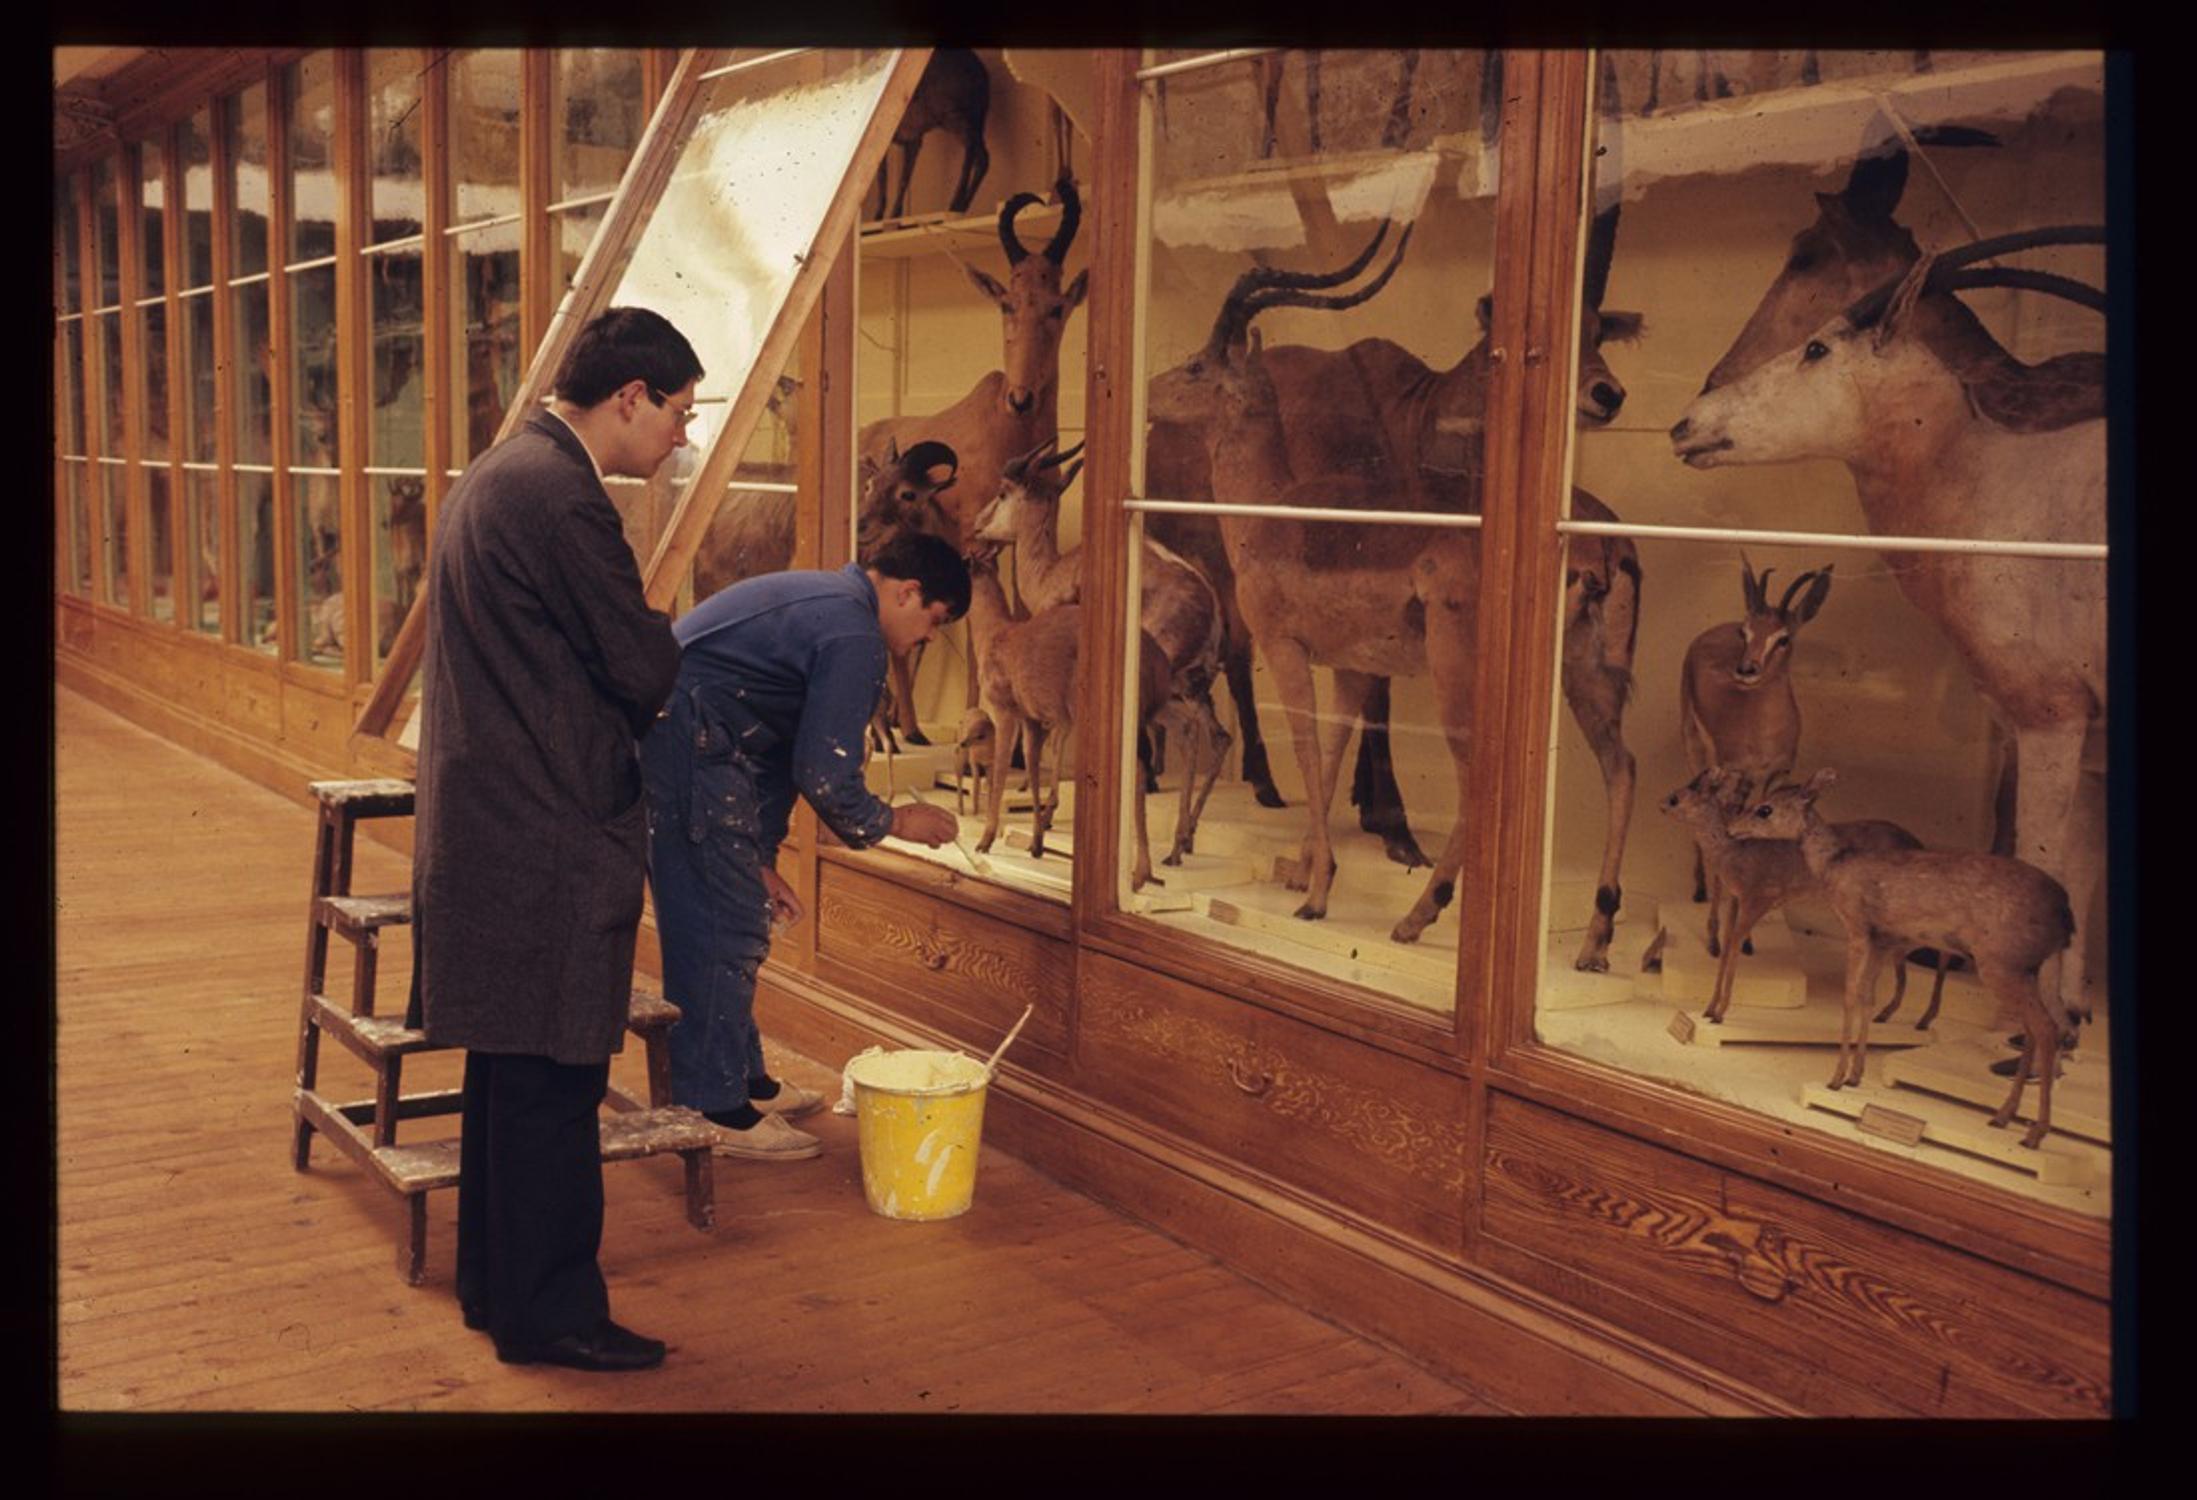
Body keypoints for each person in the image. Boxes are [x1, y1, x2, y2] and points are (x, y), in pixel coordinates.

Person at [410, 306, 701, 1373]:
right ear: (627, 397)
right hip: (544, 830)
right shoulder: (564, 499)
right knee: (553, 1086)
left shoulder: (500, 472)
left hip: (492, 818)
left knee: (508, 1074)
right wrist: (665, 641)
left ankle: (497, 1289)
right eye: (677, 409)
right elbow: (640, 666)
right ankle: (553, 1318)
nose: (681, 431)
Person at [640, 532, 968, 1158]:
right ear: (908, 592)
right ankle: (714, 1107)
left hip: (697, 743)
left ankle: (744, 1080)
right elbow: (825, 772)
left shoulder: (829, 604)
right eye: (934, 621)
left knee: (738, 913)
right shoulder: (854, 635)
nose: (927, 639)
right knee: (721, 924)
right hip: (686, 745)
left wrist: (759, 861)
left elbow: (781, 759)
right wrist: (897, 823)